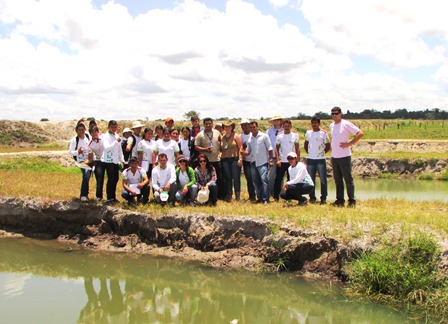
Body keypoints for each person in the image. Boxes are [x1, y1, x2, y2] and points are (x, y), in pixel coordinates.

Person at [329, 106, 365, 208]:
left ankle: (352, 201)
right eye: (333, 114)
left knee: (348, 179)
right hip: (335, 156)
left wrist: (349, 143)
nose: (334, 116)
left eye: (336, 113)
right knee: (337, 179)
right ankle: (340, 200)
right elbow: (333, 137)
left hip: (344, 156)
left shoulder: (346, 124)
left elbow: (360, 133)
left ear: (340, 114)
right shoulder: (331, 125)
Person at [242, 121, 274, 205]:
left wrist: (270, 160)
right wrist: (242, 151)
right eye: (251, 127)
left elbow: (270, 149)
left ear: (257, 127)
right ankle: (259, 198)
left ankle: (265, 198)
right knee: (255, 181)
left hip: (263, 161)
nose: (252, 129)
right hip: (253, 162)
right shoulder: (250, 138)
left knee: (264, 180)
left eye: (254, 127)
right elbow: (248, 151)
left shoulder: (264, 136)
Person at [194, 117, 224, 199]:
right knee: (207, 180)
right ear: (204, 125)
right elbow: (196, 146)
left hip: (216, 159)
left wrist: (221, 146)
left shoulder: (217, 132)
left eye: (209, 123)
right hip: (205, 162)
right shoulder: (200, 135)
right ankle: (207, 196)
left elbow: (221, 140)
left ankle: (218, 196)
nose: (208, 125)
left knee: (219, 179)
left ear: (212, 124)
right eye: (206, 124)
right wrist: (205, 149)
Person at [304, 116, 331, 205]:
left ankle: (323, 197)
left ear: (319, 124)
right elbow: (306, 144)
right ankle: (312, 197)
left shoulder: (323, 133)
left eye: (316, 123)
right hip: (311, 159)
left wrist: (322, 153)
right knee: (311, 180)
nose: (314, 124)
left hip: (320, 160)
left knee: (323, 179)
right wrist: (310, 153)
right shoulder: (308, 133)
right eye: (313, 123)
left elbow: (328, 145)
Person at [273, 119, 300, 202]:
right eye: (285, 126)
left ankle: (289, 197)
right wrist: (277, 160)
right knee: (278, 179)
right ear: (283, 126)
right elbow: (276, 149)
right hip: (282, 161)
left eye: (288, 126)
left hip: (291, 161)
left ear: (291, 126)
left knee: (290, 180)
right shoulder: (279, 136)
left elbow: (297, 148)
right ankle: (276, 196)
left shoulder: (295, 135)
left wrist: (297, 159)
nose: (287, 128)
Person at [101, 120, 124, 205]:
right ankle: (109, 198)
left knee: (116, 178)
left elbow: (119, 149)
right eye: (112, 127)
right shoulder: (105, 136)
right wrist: (115, 141)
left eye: (115, 127)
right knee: (111, 179)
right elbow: (107, 148)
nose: (113, 128)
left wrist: (122, 159)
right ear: (109, 127)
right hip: (108, 160)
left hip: (115, 160)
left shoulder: (117, 135)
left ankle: (113, 197)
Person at [220, 120, 243, 201]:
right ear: (224, 128)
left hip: (234, 158)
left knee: (236, 177)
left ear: (232, 127)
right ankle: (229, 195)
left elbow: (241, 148)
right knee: (228, 178)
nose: (227, 128)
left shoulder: (236, 136)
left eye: (229, 126)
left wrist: (240, 158)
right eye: (226, 126)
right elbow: (221, 149)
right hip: (225, 159)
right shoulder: (222, 137)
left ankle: (238, 196)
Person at [68, 122, 91, 201]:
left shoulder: (88, 137)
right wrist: (78, 152)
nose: (81, 131)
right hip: (80, 160)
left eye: (82, 129)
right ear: (77, 131)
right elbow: (70, 152)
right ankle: (83, 195)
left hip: (89, 159)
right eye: (79, 130)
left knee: (87, 176)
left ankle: (86, 194)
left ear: (85, 130)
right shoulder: (74, 140)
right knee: (86, 174)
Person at [267, 115, 285, 197]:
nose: (277, 121)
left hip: (282, 156)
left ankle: (280, 193)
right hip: (272, 156)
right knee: (271, 175)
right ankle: (270, 192)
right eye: (275, 120)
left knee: (280, 176)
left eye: (278, 120)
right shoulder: (269, 131)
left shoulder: (284, 130)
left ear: (281, 121)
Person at [239, 118, 256, 202]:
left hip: (254, 160)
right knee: (249, 178)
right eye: (242, 125)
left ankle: (259, 194)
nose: (244, 127)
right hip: (246, 160)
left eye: (246, 125)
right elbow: (240, 149)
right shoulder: (240, 136)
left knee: (256, 178)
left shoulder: (253, 134)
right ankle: (252, 196)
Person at [86, 126, 105, 202]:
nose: (94, 134)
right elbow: (90, 158)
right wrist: (85, 162)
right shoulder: (90, 144)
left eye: (95, 132)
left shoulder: (103, 138)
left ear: (98, 132)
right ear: (90, 134)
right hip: (98, 161)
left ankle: (111, 197)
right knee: (100, 179)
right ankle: (99, 196)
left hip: (107, 160)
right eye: (92, 132)